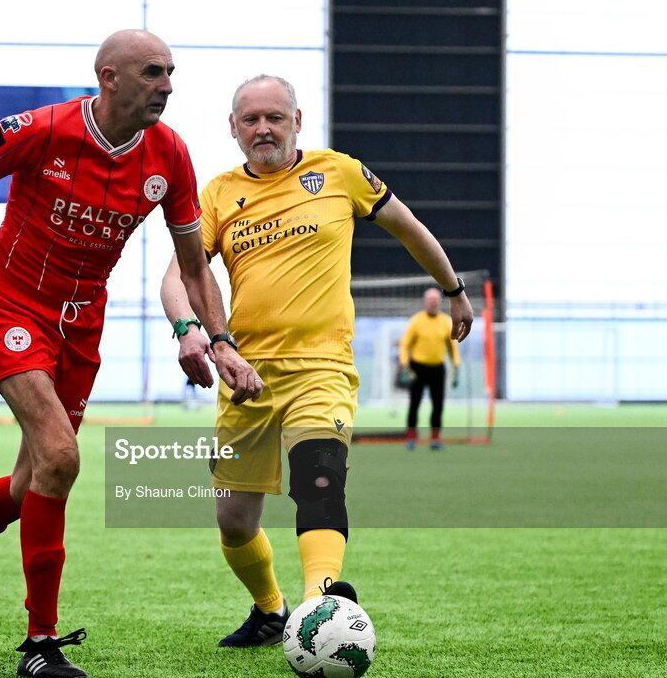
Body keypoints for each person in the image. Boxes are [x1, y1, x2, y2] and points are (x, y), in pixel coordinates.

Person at [0, 29, 261, 678]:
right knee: (62, 457)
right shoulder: (41, 130)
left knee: (27, 484)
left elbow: (193, 267)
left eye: (171, 73)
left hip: (82, 325)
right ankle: (40, 642)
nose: (167, 86)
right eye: (152, 73)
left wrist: (219, 340)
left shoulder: (170, 157)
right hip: (9, 305)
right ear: (108, 76)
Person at [160, 75, 473, 647]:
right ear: (233, 128)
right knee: (234, 521)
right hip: (246, 373)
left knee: (320, 477)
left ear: (297, 121)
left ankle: (319, 606)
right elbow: (180, 276)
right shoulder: (217, 195)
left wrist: (452, 288)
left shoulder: (340, 173)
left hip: (322, 367)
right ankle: (270, 608)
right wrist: (190, 331)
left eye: (275, 117)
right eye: (250, 119)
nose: (263, 128)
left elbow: (408, 226)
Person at [400, 287, 460, 450]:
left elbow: (452, 346)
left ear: (440, 302)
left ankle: (435, 439)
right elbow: (405, 345)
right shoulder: (416, 321)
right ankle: (411, 438)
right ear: (425, 302)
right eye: (430, 301)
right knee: (414, 404)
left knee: (438, 404)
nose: (433, 304)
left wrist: (456, 366)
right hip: (417, 368)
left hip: (438, 369)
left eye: (436, 301)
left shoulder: (445, 321)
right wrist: (404, 365)